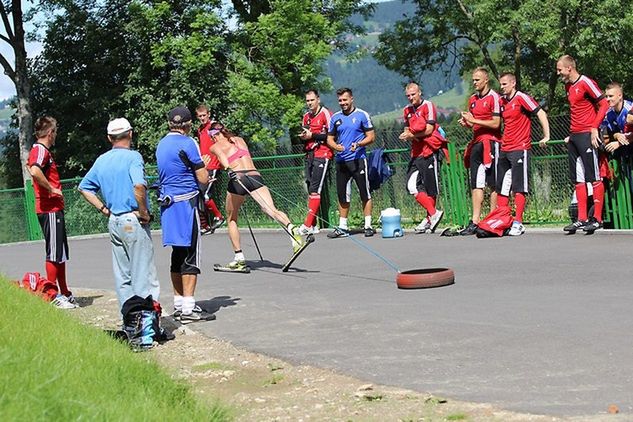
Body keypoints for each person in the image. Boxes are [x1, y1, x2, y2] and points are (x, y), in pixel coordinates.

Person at [78, 118, 160, 319]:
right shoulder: (133, 157)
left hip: (114, 220)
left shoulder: (102, 160)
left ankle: (129, 321)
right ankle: (147, 323)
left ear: (109, 138)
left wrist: (104, 209)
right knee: (143, 275)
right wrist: (143, 213)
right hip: (133, 220)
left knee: (123, 276)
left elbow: (84, 188)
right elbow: (139, 186)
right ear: (130, 134)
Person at [207, 122, 304, 271]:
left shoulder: (215, 146)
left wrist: (227, 168)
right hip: (254, 176)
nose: (211, 139)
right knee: (271, 209)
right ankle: (292, 229)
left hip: (237, 178)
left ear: (214, 134)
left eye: (211, 136)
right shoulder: (239, 140)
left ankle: (239, 258)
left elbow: (222, 159)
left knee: (231, 218)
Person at [156, 106, 210, 322]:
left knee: (177, 254)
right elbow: (203, 177)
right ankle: (189, 307)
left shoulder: (161, 144)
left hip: (168, 205)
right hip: (186, 204)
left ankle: (179, 303)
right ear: (188, 124)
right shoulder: (188, 143)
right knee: (191, 253)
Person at [27, 116, 77, 309]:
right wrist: (51, 189)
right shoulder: (40, 150)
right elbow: (34, 170)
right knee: (54, 252)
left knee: (60, 252)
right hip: (49, 209)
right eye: (55, 132)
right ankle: (52, 294)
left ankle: (64, 291)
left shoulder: (42, 151)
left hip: (55, 209)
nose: (56, 136)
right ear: (50, 133)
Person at [556, 55, 609, 233]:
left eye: (560, 69)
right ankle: (581, 218)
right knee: (578, 179)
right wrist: (570, 135)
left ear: (569, 68)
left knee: (594, 176)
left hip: (588, 134)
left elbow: (603, 104)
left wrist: (594, 128)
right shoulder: (568, 86)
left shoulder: (585, 82)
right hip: (575, 136)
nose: (558, 73)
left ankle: (597, 219)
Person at [497, 72, 550, 236]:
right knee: (502, 187)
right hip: (505, 149)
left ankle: (518, 222)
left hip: (520, 148)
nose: (502, 87)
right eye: (501, 84)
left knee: (519, 186)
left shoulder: (522, 98)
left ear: (513, 83)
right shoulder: (501, 101)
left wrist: (546, 135)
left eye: (505, 84)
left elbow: (541, 113)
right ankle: (504, 221)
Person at [326, 87, 376, 238]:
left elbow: (371, 136)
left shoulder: (362, 115)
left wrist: (359, 144)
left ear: (351, 99)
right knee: (342, 195)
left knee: (364, 193)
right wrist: (336, 147)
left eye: (345, 100)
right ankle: (342, 227)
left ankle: (368, 225)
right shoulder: (335, 118)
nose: (343, 103)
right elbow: (329, 139)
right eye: (340, 100)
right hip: (341, 162)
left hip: (358, 160)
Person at [458, 67, 502, 235]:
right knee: (476, 183)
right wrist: (467, 123)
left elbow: (496, 124)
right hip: (476, 143)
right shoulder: (473, 99)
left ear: (486, 80)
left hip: (491, 143)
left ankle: (492, 219)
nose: (474, 83)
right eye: (473, 80)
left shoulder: (494, 97)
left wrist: (474, 119)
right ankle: (475, 220)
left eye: (477, 80)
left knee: (493, 183)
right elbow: (474, 123)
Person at [399, 82, 446, 233]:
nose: (411, 98)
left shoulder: (428, 106)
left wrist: (412, 134)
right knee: (412, 185)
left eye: (413, 94)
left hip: (429, 150)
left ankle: (428, 220)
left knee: (430, 188)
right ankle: (433, 214)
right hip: (416, 152)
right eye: (408, 96)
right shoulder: (406, 110)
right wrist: (407, 135)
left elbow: (430, 129)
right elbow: (407, 129)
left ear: (419, 93)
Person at [298, 89, 333, 235]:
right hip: (309, 154)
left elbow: (331, 135)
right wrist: (304, 136)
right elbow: (307, 134)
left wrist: (314, 135)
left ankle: (307, 224)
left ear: (318, 99)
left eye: (312, 100)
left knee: (315, 188)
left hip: (323, 153)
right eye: (307, 101)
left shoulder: (326, 113)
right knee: (310, 188)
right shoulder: (306, 117)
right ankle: (312, 224)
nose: (309, 103)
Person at [195, 104, 225, 234]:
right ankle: (205, 225)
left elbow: (222, 141)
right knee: (199, 195)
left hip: (213, 165)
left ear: (208, 114)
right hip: (204, 166)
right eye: (200, 116)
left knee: (206, 195)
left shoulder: (213, 127)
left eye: (204, 115)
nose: (202, 118)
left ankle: (219, 216)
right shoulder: (200, 129)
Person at [601, 82, 632, 155]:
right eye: (606, 96)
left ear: (620, 95)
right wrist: (617, 135)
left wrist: (619, 143)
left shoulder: (630, 109)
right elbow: (612, 133)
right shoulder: (608, 114)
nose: (607, 99)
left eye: (611, 96)